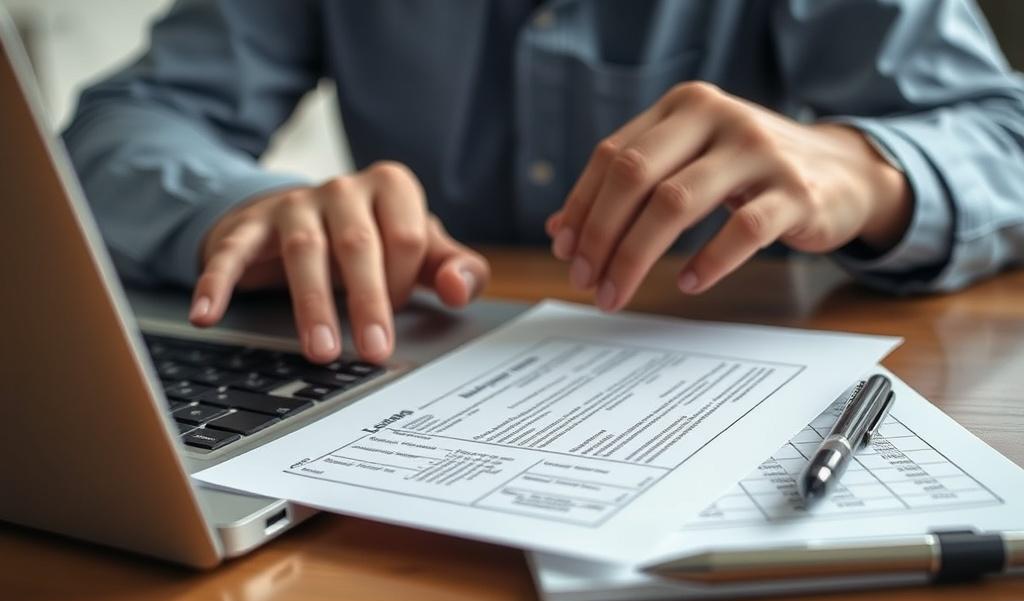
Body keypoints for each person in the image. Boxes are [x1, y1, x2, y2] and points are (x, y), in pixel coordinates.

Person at [65, 0, 1024, 365]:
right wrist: (241, 206)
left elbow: (1003, 131)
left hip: (722, 382)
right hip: (397, 392)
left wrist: (870, 169)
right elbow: (122, 123)